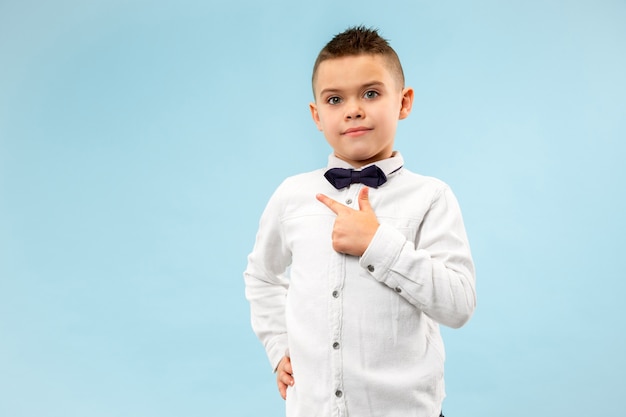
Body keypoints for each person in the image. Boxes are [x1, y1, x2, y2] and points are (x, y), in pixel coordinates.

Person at [244, 26, 476, 417]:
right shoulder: (291, 195)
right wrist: (278, 344)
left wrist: (377, 244)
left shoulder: (432, 198)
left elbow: (459, 304)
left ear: (403, 102)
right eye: (335, 99)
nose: (353, 109)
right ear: (317, 115)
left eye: (371, 93)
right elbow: (262, 275)